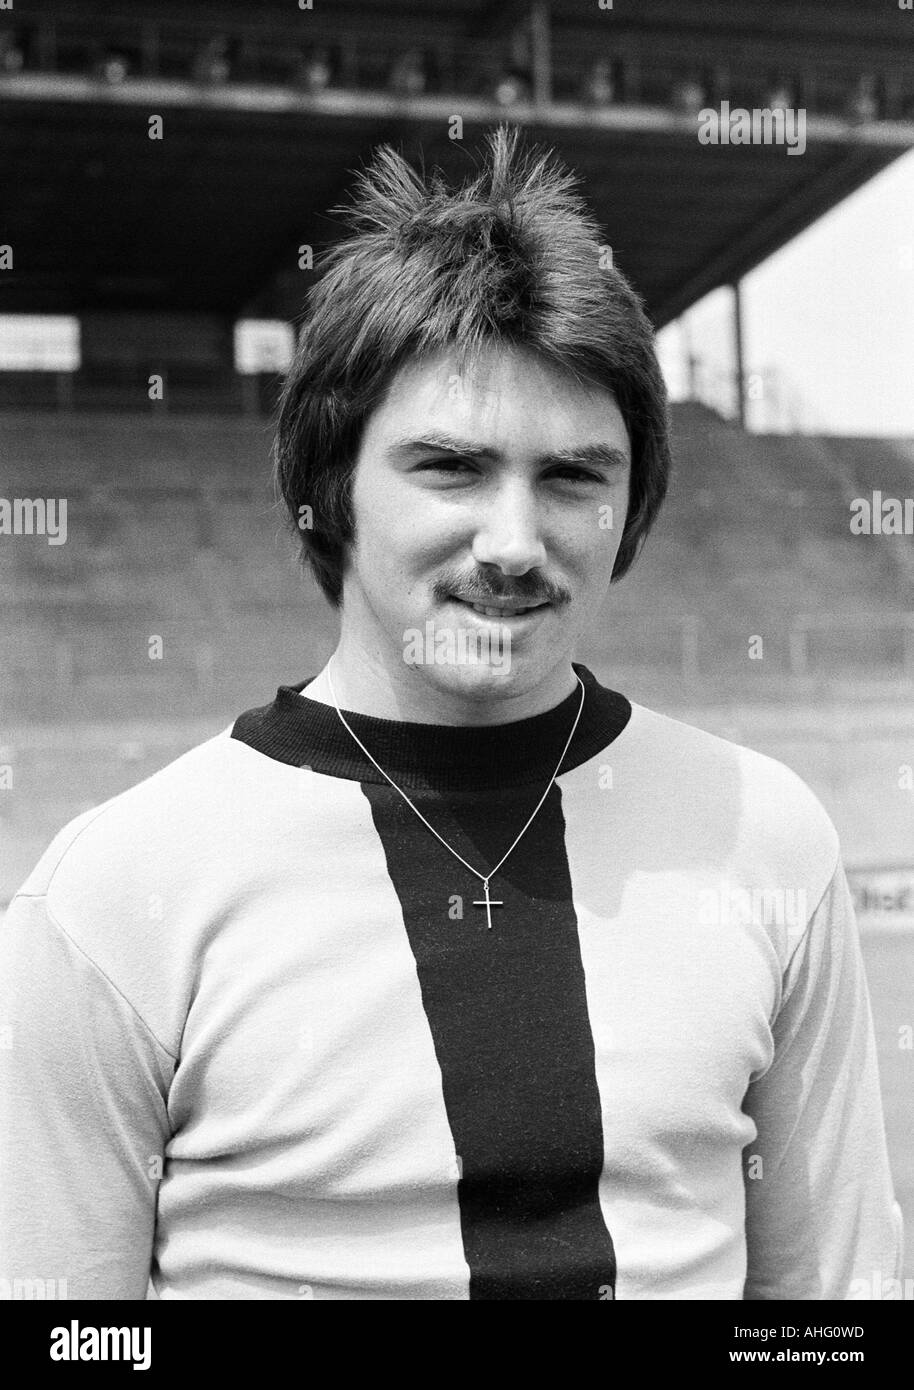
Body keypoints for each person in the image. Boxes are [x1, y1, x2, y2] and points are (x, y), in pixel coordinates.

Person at [0, 126, 902, 1301]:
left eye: (574, 476)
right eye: (450, 467)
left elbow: (828, 1305)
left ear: (630, 508)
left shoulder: (761, 834)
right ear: (329, 488)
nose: (514, 543)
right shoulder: (119, 890)